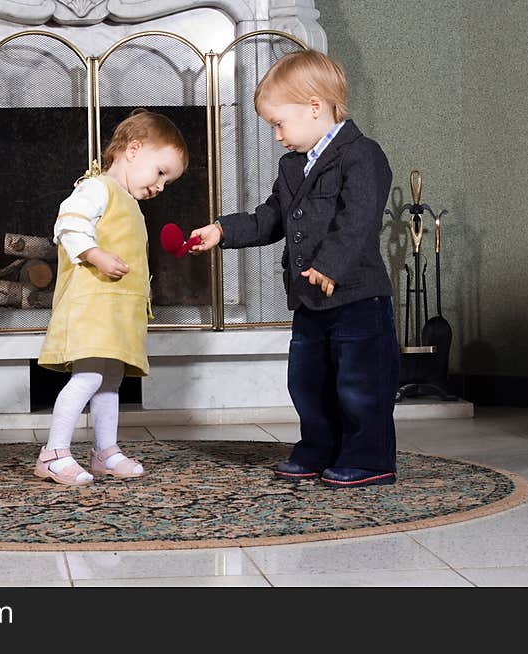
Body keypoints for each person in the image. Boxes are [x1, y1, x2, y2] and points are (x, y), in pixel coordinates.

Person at [189, 50, 399, 488]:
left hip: (356, 297)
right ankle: (318, 449)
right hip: (308, 298)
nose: (277, 135)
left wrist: (330, 265)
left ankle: (368, 458)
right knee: (309, 382)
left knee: (360, 385)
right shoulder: (291, 167)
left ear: (315, 106)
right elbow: (271, 218)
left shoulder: (362, 156)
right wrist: (222, 231)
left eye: (279, 123)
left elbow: (358, 218)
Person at [35, 109, 188, 486]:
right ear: (134, 150)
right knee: (87, 377)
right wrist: (95, 254)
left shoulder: (127, 201)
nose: (161, 186)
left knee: (110, 380)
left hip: (117, 312)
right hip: (92, 308)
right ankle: (53, 453)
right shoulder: (96, 188)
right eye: (161, 172)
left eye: (168, 180)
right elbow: (68, 224)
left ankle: (105, 451)